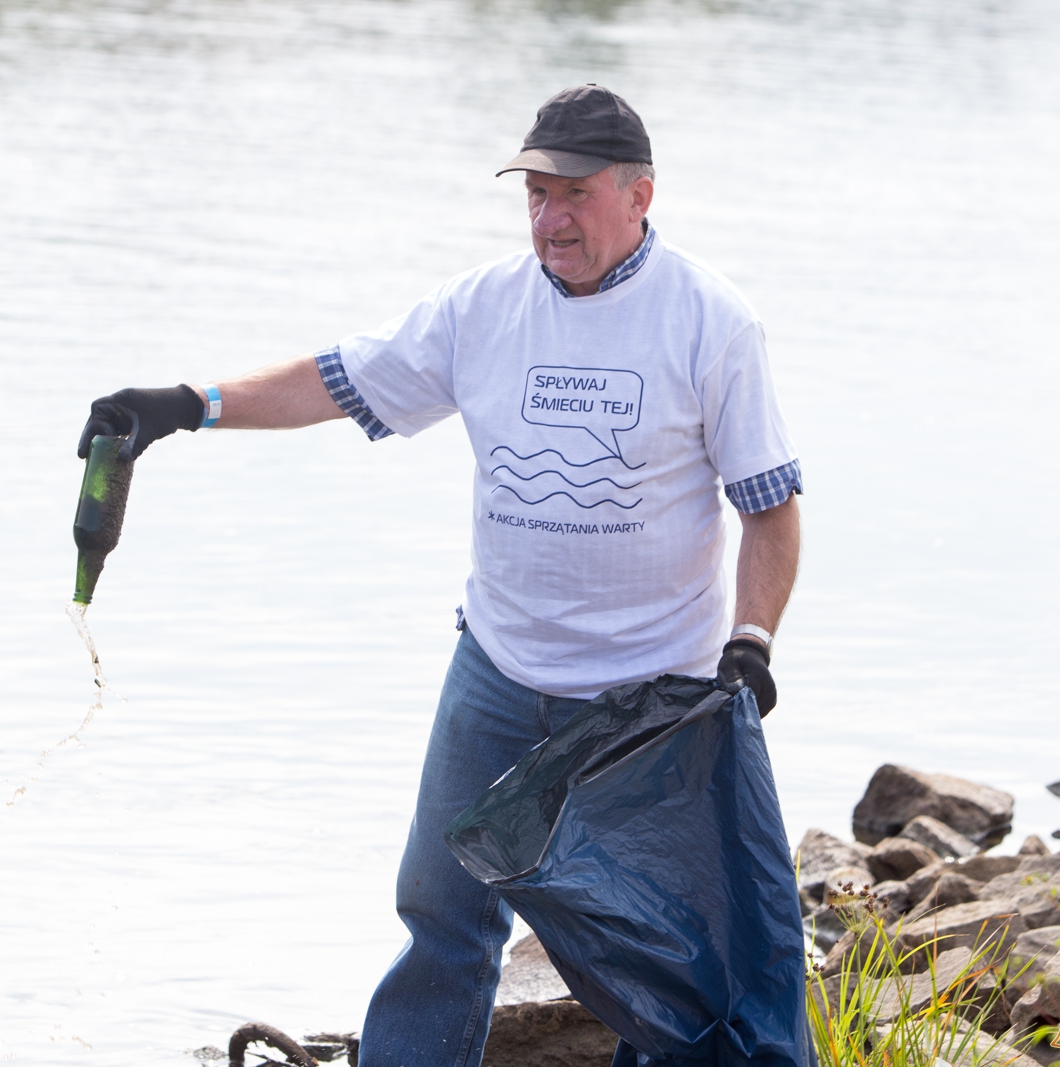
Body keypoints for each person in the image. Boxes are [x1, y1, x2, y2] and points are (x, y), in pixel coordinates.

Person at [78, 85, 806, 1067]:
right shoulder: (481, 309)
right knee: (441, 913)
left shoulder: (711, 321)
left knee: (665, 948)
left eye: (574, 194)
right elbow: (332, 381)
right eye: (535, 194)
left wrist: (750, 645)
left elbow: (769, 506)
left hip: (654, 697)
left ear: (639, 195)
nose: (550, 219)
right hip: (499, 674)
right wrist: (184, 403)